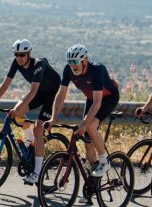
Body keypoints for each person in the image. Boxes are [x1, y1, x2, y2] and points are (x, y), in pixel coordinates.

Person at [0, 39, 61, 184]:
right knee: (17, 114)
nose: (19, 58)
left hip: (51, 94)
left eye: (22, 55)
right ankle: (31, 141)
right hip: (39, 93)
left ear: (29, 53)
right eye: (16, 54)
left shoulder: (38, 65)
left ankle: (37, 172)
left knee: (38, 128)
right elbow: (4, 86)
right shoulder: (16, 63)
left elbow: (33, 90)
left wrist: (17, 108)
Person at [46, 44, 120, 177]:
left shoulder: (97, 69)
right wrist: (53, 118)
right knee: (88, 144)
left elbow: (98, 102)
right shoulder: (68, 70)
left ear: (85, 60)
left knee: (90, 126)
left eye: (75, 62)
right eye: (69, 62)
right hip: (92, 98)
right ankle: (92, 183)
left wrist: (84, 123)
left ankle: (104, 161)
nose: (72, 66)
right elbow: (61, 95)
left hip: (108, 98)